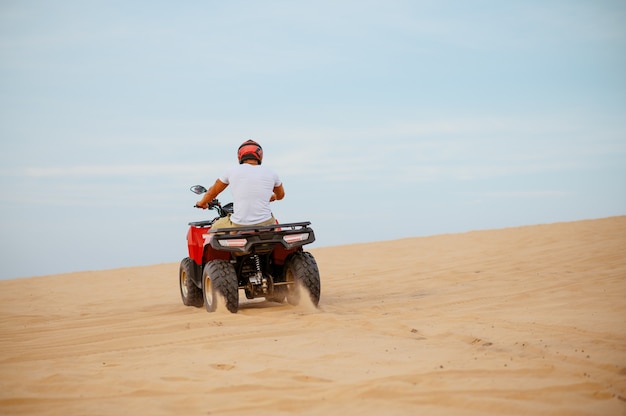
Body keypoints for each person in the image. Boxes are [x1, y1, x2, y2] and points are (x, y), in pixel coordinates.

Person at [196, 139, 285, 229]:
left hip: (240, 224)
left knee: (214, 229)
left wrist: (202, 203)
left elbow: (213, 192)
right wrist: (274, 197)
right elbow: (281, 195)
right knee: (275, 224)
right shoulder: (271, 173)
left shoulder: (231, 171)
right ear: (260, 156)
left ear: (240, 156)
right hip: (266, 222)